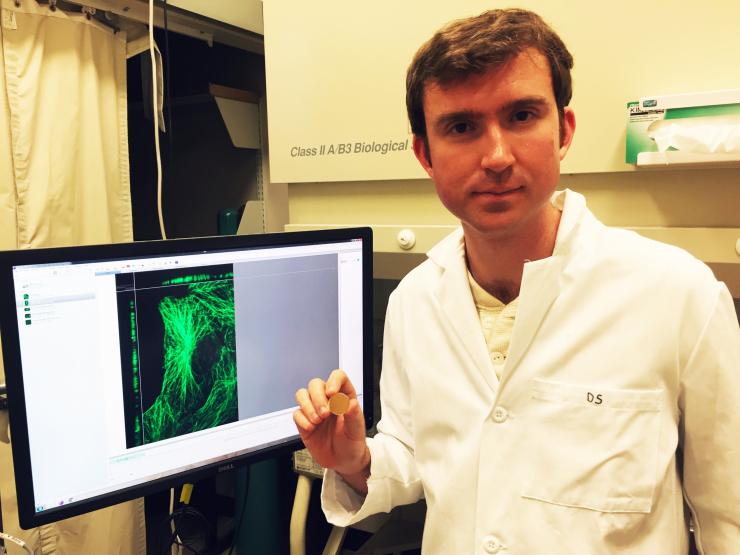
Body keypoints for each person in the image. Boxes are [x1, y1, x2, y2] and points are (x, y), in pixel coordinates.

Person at [293, 8, 740, 553]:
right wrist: (357, 461)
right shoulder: (415, 302)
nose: (498, 156)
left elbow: (728, 519)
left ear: (564, 130)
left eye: (523, 115)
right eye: (461, 127)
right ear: (424, 154)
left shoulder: (680, 297)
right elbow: (418, 457)